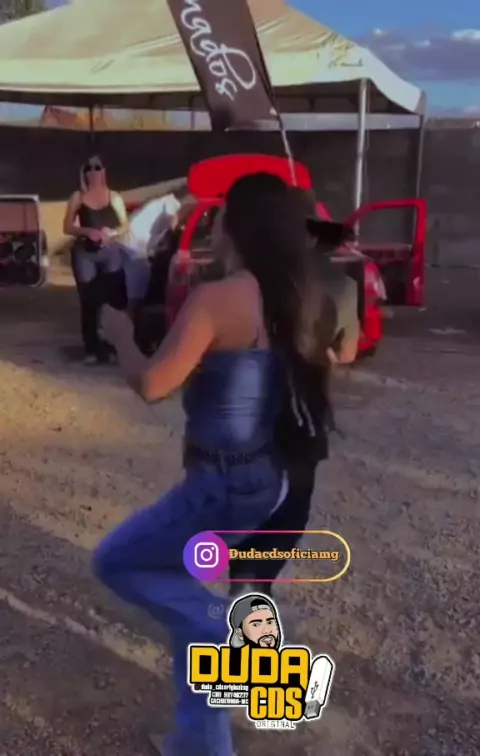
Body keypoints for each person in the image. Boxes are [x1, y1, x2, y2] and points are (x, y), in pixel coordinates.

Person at [92, 172, 337, 756]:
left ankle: (226, 633)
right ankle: (200, 743)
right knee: (179, 595)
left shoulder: (219, 299)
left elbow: (153, 384)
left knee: (117, 562)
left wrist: (121, 335)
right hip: (267, 480)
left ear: (239, 226)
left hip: (219, 485)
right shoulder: (295, 293)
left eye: (222, 216)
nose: (216, 227)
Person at [228, 187, 360, 596]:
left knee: (247, 514)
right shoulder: (341, 285)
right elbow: (346, 353)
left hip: (246, 414)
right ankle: (254, 590)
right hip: (303, 414)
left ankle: (244, 585)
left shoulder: (243, 281)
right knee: (288, 516)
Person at [63, 155, 129, 364]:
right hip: (85, 253)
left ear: (104, 171)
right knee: (88, 299)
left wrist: (111, 232)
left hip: (109, 251)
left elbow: (125, 225)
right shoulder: (78, 197)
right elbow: (67, 227)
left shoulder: (114, 197)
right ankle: (91, 348)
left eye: (97, 167)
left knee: (113, 300)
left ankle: (111, 347)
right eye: (88, 168)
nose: (93, 172)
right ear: (84, 173)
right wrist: (86, 231)